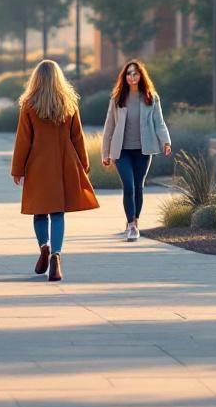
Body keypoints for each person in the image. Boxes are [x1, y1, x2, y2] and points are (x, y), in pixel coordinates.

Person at [10, 59, 98, 282]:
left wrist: (17, 169)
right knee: (58, 212)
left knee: (40, 212)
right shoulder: (69, 103)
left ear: (36, 79)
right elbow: (77, 136)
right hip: (63, 163)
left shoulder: (29, 105)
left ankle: (44, 248)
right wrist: (83, 164)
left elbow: (23, 140)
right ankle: (56, 257)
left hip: (38, 164)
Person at [100, 59, 171, 241]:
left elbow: (159, 123)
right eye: (128, 74)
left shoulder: (150, 97)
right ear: (124, 77)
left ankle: (135, 221)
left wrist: (166, 142)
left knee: (139, 187)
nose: (132, 77)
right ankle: (131, 226)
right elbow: (109, 127)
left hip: (143, 150)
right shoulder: (117, 98)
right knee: (129, 187)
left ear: (141, 76)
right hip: (122, 150)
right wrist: (105, 153)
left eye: (135, 73)